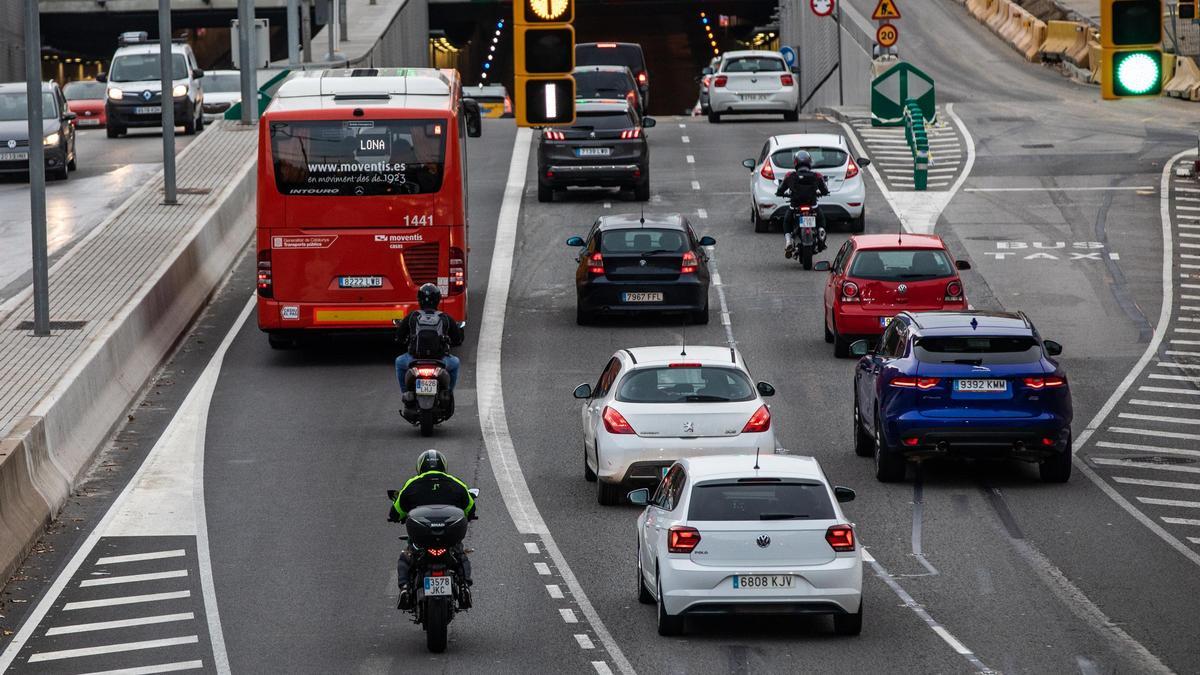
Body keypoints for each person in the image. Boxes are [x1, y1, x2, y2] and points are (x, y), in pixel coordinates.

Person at [388, 450, 477, 609]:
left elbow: (396, 511)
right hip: (449, 537)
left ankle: (405, 588)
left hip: (422, 538)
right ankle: (464, 586)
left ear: (420, 466)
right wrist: (469, 515)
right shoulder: (456, 483)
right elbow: (471, 507)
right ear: (444, 465)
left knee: (406, 557)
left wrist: (396, 517)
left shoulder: (412, 483)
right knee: (460, 555)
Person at [395, 283, 464, 394]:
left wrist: (403, 340)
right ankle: (448, 393)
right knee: (455, 363)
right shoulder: (445, 317)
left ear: (419, 299)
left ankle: (405, 393)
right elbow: (458, 339)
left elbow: (399, 336)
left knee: (399, 362)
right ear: (438, 299)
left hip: (414, 360)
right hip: (440, 361)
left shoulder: (413, 316)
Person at [775, 151, 830, 258]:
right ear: (809, 162)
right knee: (821, 219)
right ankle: (821, 231)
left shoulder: (790, 175)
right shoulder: (817, 175)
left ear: (795, 162)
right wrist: (822, 193)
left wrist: (780, 193)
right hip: (812, 206)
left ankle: (788, 241)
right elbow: (824, 189)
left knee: (787, 221)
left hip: (795, 206)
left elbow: (780, 189)